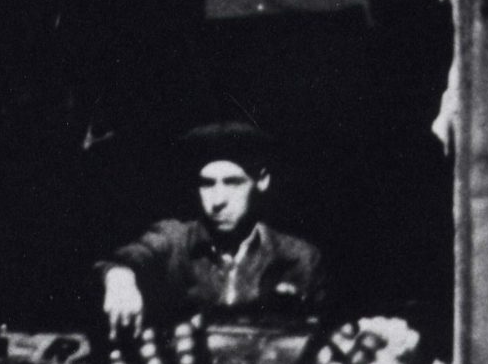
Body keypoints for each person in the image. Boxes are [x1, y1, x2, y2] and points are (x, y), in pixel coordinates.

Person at [99, 121, 325, 334]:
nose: (217, 201)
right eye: (207, 184)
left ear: (262, 180)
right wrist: (119, 277)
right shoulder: (174, 240)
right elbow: (130, 256)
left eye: (233, 183)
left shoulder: (298, 257)